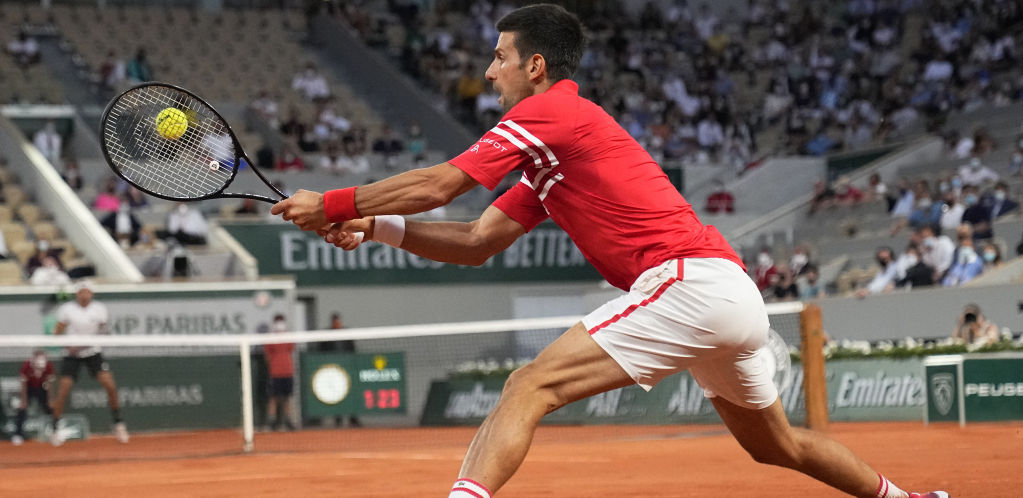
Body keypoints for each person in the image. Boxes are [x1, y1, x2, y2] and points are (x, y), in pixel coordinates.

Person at [271, 6, 946, 498]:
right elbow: (478, 243)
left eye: (499, 58)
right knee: (778, 446)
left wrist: (334, 204)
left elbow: (441, 184)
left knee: (525, 385)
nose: (488, 70)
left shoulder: (546, 114)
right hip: (727, 295)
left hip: (687, 285)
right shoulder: (551, 153)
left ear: (534, 66)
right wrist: (378, 228)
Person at [51, 281, 129, 446]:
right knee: (63, 389)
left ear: (91, 294)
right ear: (77, 294)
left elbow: (103, 330)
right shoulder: (67, 310)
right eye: (81, 292)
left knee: (110, 385)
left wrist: (102, 336)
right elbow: (56, 332)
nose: (84, 294)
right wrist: (67, 345)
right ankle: (55, 429)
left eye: (87, 292)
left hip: (93, 353)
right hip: (72, 355)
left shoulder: (99, 309)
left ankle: (118, 424)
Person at [11, 350, 55, 446]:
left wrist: (50, 399)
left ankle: (54, 433)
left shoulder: (48, 366)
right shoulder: (27, 366)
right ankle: (18, 434)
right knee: (22, 410)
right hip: (29, 388)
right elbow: (23, 384)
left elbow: (49, 384)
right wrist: (23, 400)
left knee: (50, 410)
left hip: (42, 388)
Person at [263, 315, 295, 432]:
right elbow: (267, 355)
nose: (280, 324)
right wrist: (273, 366)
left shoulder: (288, 337)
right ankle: (271, 421)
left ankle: (287, 420)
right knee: (274, 397)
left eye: (281, 322)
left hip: (288, 372)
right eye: (278, 322)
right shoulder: (270, 338)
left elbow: (291, 349)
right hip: (275, 373)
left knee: (287, 397)